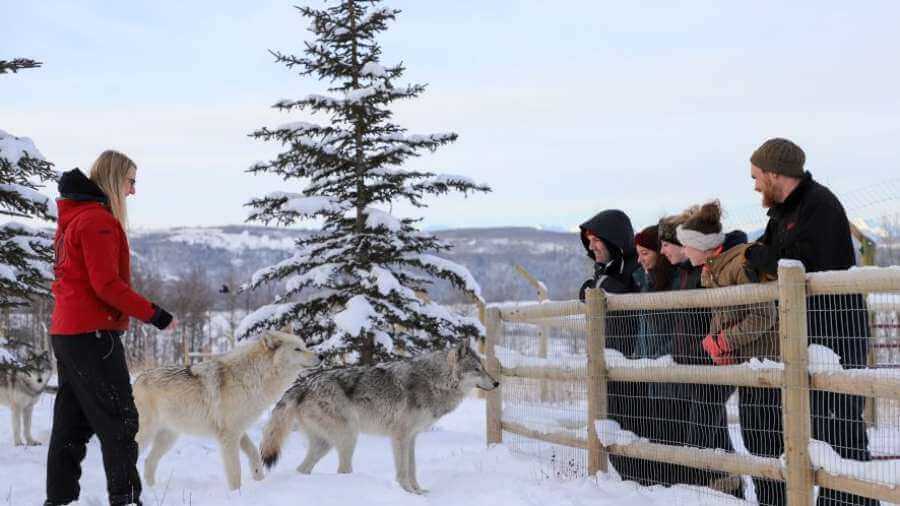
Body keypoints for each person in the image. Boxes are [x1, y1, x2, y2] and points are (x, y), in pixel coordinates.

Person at [744, 138, 877, 506]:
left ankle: (856, 500)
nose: (754, 185)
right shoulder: (783, 212)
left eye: (756, 176)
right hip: (806, 334)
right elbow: (768, 260)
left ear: (774, 173)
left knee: (841, 427)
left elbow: (800, 263)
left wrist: (763, 258)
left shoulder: (820, 206)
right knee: (817, 428)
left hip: (835, 332)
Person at [46, 151, 175, 506]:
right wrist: (155, 314)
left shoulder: (74, 219)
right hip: (93, 334)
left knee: (71, 422)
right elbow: (106, 285)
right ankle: (126, 499)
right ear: (116, 180)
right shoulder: (97, 221)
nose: (133, 191)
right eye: (131, 181)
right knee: (120, 420)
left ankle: (59, 500)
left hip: (67, 334)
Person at [677, 201, 780, 504]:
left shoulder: (738, 264)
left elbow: (763, 315)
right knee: (754, 439)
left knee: (766, 440)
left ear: (704, 247)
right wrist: (715, 340)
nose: (684, 253)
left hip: (765, 363)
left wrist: (724, 342)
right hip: (747, 363)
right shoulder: (714, 268)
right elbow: (723, 314)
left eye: (687, 246)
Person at [657, 212, 745, 497]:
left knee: (701, 437)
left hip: (713, 363)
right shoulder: (685, 273)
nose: (663, 251)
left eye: (668, 244)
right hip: (692, 365)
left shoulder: (706, 273)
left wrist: (714, 346)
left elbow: (727, 316)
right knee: (713, 433)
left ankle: (714, 492)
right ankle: (730, 491)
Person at [578, 210, 654, 485]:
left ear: (614, 240)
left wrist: (607, 289)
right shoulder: (605, 272)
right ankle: (631, 488)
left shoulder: (636, 271)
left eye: (597, 239)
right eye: (588, 241)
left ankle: (646, 488)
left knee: (637, 432)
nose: (592, 246)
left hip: (636, 366)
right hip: (607, 365)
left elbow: (645, 309)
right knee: (612, 433)